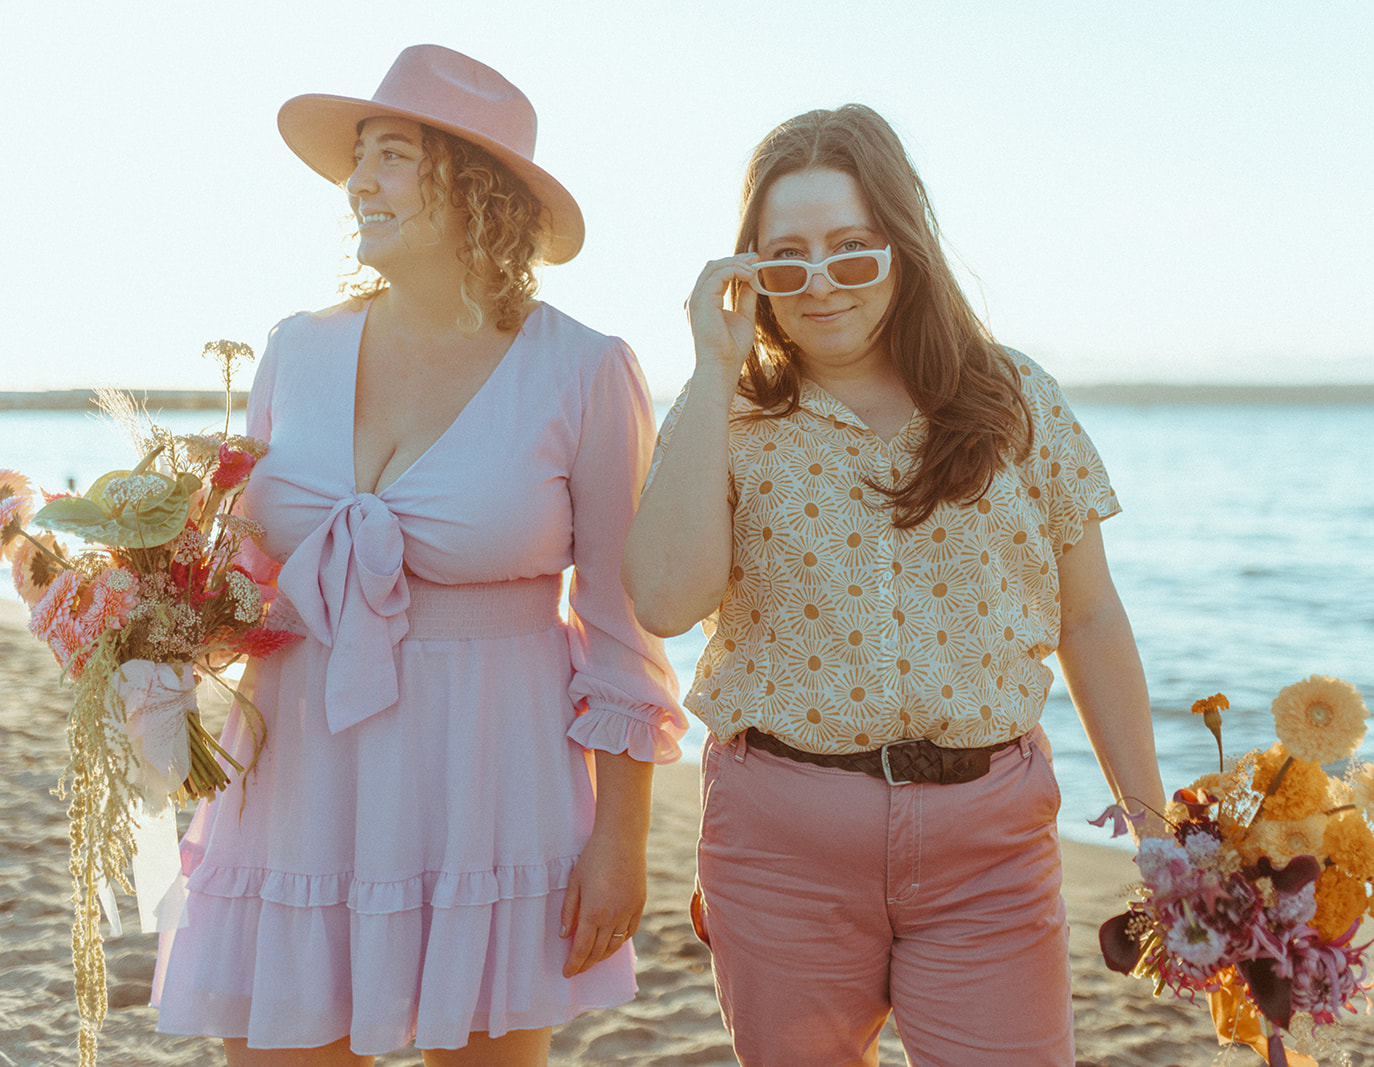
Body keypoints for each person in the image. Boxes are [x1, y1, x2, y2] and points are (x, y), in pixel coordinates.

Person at [151, 45, 685, 1067]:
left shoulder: (584, 369)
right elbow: (238, 579)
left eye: (389, 156)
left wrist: (621, 838)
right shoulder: (293, 347)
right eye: (360, 157)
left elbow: (624, 629)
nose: (355, 183)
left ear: (476, 188)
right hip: (298, 769)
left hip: (492, 778)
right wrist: (127, 620)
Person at [622, 104, 1165, 1065]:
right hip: (781, 846)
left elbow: (1088, 616)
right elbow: (664, 602)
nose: (820, 283)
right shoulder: (726, 412)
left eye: (852, 250)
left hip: (988, 847)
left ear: (903, 249)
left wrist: (1155, 826)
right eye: (786, 258)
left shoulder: (1014, 397)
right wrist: (711, 368)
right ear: (751, 272)